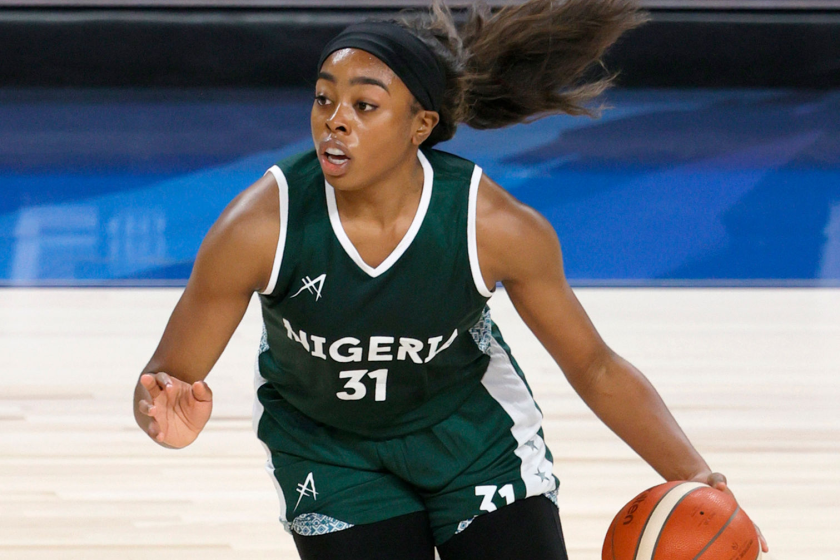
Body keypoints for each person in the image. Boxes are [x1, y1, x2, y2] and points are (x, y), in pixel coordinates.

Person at [133, 1, 768, 558]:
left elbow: (595, 367)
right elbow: (169, 376)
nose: (335, 120)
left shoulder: (494, 225)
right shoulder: (258, 226)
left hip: (473, 438)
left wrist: (696, 474)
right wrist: (162, 417)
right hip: (330, 452)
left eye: (364, 105)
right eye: (324, 98)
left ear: (421, 126)